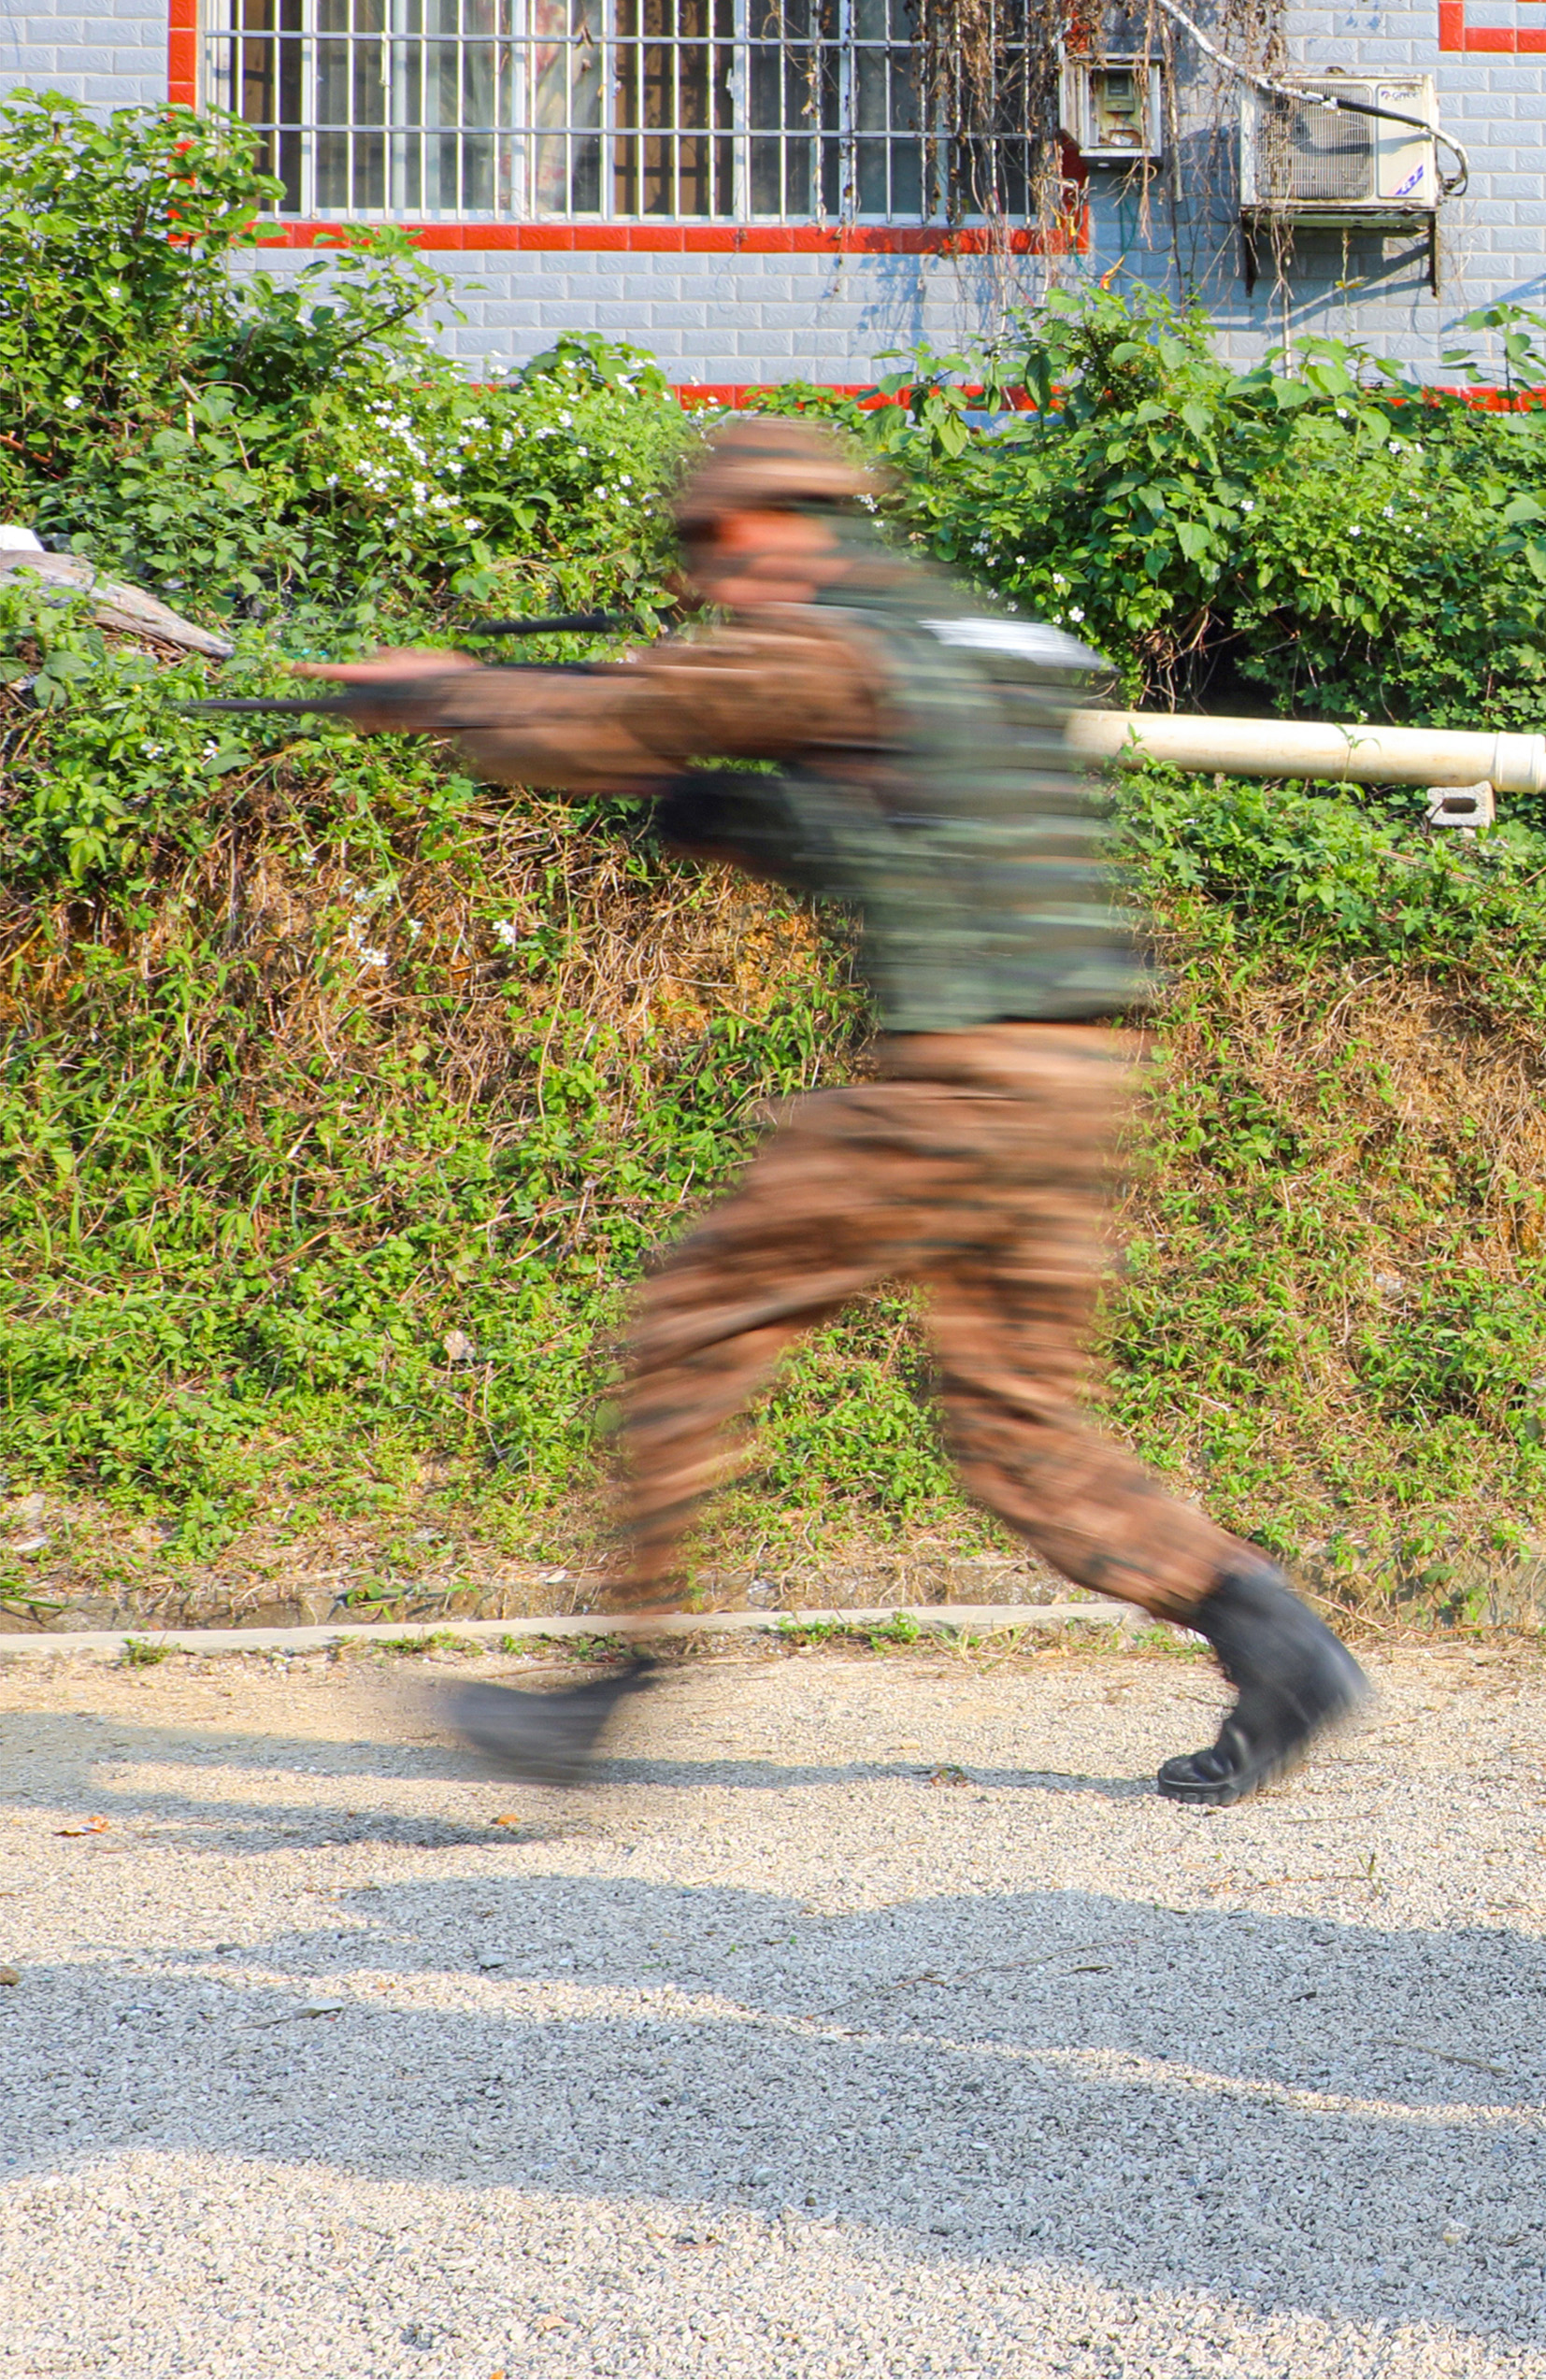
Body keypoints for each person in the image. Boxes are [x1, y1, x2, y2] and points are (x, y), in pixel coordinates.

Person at [295, 417, 1367, 1807]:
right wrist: (731, 810)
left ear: (778, 523)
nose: (701, 580)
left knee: (695, 1316)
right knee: (1019, 1426)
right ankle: (1273, 1643)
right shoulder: (966, 638)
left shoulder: (826, 640)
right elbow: (902, 816)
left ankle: (610, 1694)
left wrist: (445, 696)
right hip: (1076, 1075)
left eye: (710, 546)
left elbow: (620, 723)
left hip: (965, 1085)